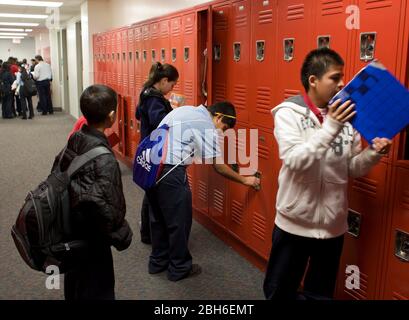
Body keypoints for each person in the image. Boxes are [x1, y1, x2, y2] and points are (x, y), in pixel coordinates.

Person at [263, 48, 392, 300]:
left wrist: (374, 154)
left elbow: (351, 168)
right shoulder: (289, 113)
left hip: (332, 228)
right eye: (335, 77)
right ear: (313, 80)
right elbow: (295, 160)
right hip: (294, 224)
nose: (342, 83)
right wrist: (331, 125)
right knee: (279, 292)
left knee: (320, 294)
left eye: (342, 76)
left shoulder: (348, 116)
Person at [145, 101, 260, 281]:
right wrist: (247, 179)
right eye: (224, 127)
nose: (221, 132)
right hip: (170, 172)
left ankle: (157, 262)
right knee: (179, 221)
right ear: (219, 116)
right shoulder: (205, 124)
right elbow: (219, 167)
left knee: (158, 217)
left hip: (150, 167)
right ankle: (179, 268)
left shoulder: (185, 110)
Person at [51, 84, 133, 300]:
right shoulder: (105, 159)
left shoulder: (75, 139)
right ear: (112, 116)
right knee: (98, 289)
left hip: (71, 232)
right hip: (92, 241)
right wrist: (121, 234)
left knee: (76, 285)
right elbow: (107, 207)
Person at [135, 62, 179, 245]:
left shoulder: (146, 92)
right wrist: (175, 113)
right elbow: (159, 122)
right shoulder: (154, 98)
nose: (172, 88)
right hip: (155, 150)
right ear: (163, 80)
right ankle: (151, 234)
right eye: (173, 84)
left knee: (150, 191)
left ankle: (147, 233)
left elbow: (139, 115)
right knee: (153, 195)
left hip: (148, 147)